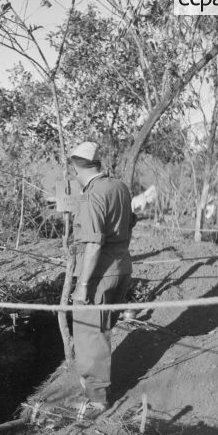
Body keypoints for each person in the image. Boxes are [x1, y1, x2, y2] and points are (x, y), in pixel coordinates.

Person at [68, 141, 135, 416]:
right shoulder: (119, 186)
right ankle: (94, 386)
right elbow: (131, 221)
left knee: (89, 334)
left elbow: (94, 244)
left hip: (98, 272)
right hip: (122, 266)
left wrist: (83, 286)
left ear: (75, 167)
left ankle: (96, 400)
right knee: (102, 329)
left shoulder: (92, 194)